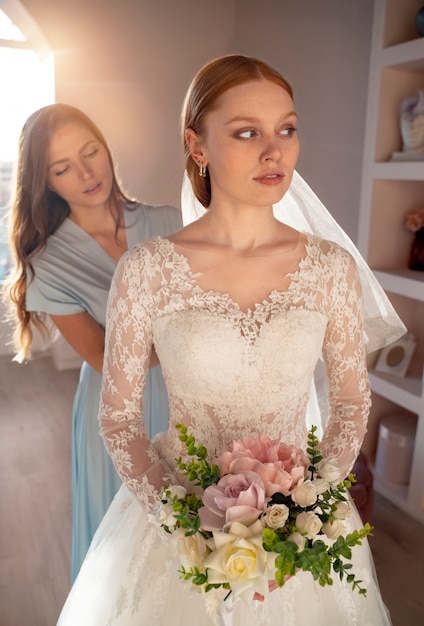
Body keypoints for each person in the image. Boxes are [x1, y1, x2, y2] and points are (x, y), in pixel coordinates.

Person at [56, 56, 405, 625]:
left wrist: (304, 510)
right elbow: (119, 420)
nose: (275, 151)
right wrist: (189, 526)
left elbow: (350, 402)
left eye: (286, 129)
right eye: (248, 132)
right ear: (197, 146)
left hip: (303, 526)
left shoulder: (330, 268)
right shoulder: (147, 271)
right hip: (179, 521)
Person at [3, 103, 182, 581]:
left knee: (205, 537)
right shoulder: (50, 262)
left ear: (106, 148)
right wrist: (195, 341)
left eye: (91, 152)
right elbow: (105, 359)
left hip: (194, 398)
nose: (85, 173)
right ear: (46, 183)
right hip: (121, 406)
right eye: (63, 168)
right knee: (129, 549)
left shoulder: (174, 220)